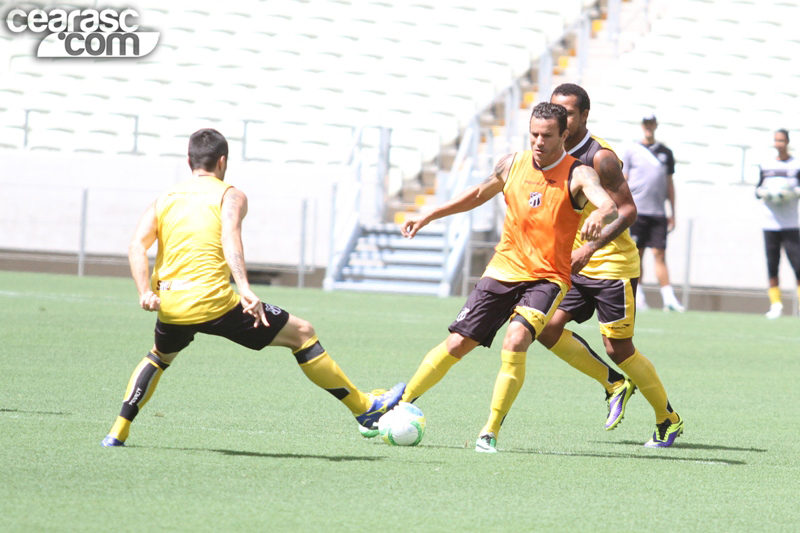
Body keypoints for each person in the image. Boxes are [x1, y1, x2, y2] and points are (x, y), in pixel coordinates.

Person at [100, 128, 404, 447]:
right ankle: (365, 409)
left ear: (189, 160)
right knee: (302, 333)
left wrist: (143, 293)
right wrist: (244, 286)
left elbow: (137, 244)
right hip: (214, 302)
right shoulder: (230, 194)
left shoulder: (165, 198)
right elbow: (229, 234)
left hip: (171, 302)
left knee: (159, 357)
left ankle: (117, 431)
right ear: (223, 161)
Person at [398, 102, 618, 453]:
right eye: (534, 134)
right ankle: (400, 402)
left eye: (547, 135)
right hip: (503, 269)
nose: (539, 142)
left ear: (564, 135)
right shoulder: (512, 164)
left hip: (548, 277)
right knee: (457, 343)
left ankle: (491, 429)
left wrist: (601, 215)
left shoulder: (578, 173)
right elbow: (477, 194)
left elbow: (608, 204)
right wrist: (429, 214)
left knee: (515, 340)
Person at [535, 83, 683, 448]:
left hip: (613, 266)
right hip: (574, 266)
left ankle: (668, 419)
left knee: (619, 348)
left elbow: (628, 211)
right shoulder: (550, 150)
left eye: (568, 112)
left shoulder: (601, 158)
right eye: (556, 110)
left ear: (584, 115)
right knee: (544, 327)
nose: (561, 118)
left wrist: (592, 246)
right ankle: (614, 383)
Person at [622, 113, 685, 312]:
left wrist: (672, 211)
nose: (649, 126)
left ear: (656, 125)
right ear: (642, 125)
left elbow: (669, 183)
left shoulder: (665, 152)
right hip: (637, 211)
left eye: (651, 123)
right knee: (637, 255)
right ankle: (637, 295)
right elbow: (623, 180)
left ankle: (668, 298)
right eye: (646, 123)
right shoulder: (632, 150)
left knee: (659, 253)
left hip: (657, 212)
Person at [755, 128, 800, 319]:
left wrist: (792, 193)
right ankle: (776, 305)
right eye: (776, 140)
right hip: (770, 224)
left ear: (787, 142)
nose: (778, 144)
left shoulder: (796, 164)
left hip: (790, 224)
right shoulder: (766, 164)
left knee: (798, 265)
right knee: (772, 265)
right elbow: (757, 189)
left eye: (781, 140)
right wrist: (763, 192)